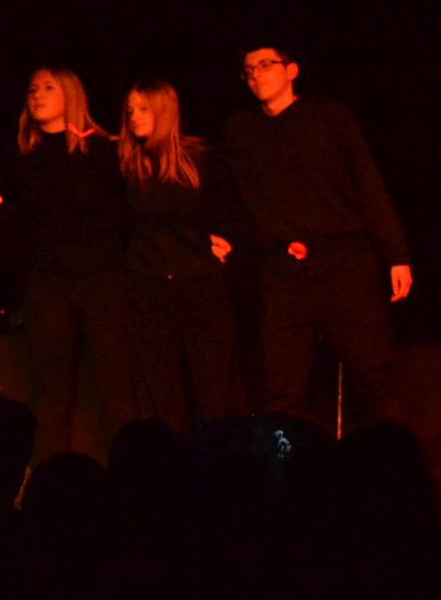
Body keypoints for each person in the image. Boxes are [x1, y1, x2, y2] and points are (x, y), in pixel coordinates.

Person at [224, 46, 412, 431]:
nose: (256, 74)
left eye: (265, 65)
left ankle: (392, 461)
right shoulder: (242, 130)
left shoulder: (328, 116)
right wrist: (254, 239)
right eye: (248, 70)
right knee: (281, 395)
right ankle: (282, 463)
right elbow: (231, 199)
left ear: (291, 70)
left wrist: (397, 254)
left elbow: (367, 183)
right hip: (284, 272)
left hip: (343, 263)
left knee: (376, 382)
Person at [6, 66, 133, 463]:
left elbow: (122, 213)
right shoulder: (25, 156)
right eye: (32, 88)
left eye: (49, 87)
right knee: (51, 396)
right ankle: (50, 481)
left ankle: (132, 479)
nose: (37, 94)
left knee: (116, 390)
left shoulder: (101, 150)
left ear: (70, 95)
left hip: (101, 279)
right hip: (49, 283)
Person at [118, 79, 244, 428]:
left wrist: (226, 240)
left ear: (163, 110)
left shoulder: (197, 157)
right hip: (150, 286)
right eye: (130, 110)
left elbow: (229, 208)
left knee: (213, 390)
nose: (134, 116)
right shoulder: (130, 162)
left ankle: (215, 457)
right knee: (161, 395)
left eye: (143, 108)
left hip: (198, 283)